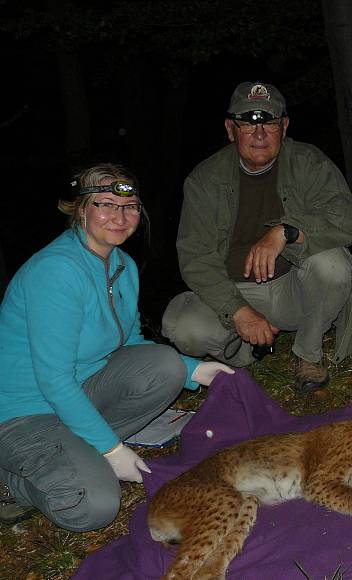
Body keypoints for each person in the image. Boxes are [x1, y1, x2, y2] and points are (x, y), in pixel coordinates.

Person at [0, 163, 233, 530]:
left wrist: (193, 369)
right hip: (23, 413)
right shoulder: (57, 271)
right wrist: (113, 451)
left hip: (78, 393)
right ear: (81, 208)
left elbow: (130, 343)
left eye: (130, 206)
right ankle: (14, 477)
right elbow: (54, 381)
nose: (120, 216)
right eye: (105, 204)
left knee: (165, 365)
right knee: (95, 505)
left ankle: (80, 447)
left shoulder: (122, 264)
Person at [161, 81, 352, 393]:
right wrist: (238, 310)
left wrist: (286, 231)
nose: (259, 134)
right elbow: (195, 259)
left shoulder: (308, 162)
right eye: (247, 124)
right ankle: (246, 352)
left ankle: (308, 353)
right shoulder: (204, 180)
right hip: (234, 290)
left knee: (333, 263)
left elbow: (347, 222)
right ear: (231, 129)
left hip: (292, 288)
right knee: (183, 327)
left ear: (283, 127)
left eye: (269, 123)